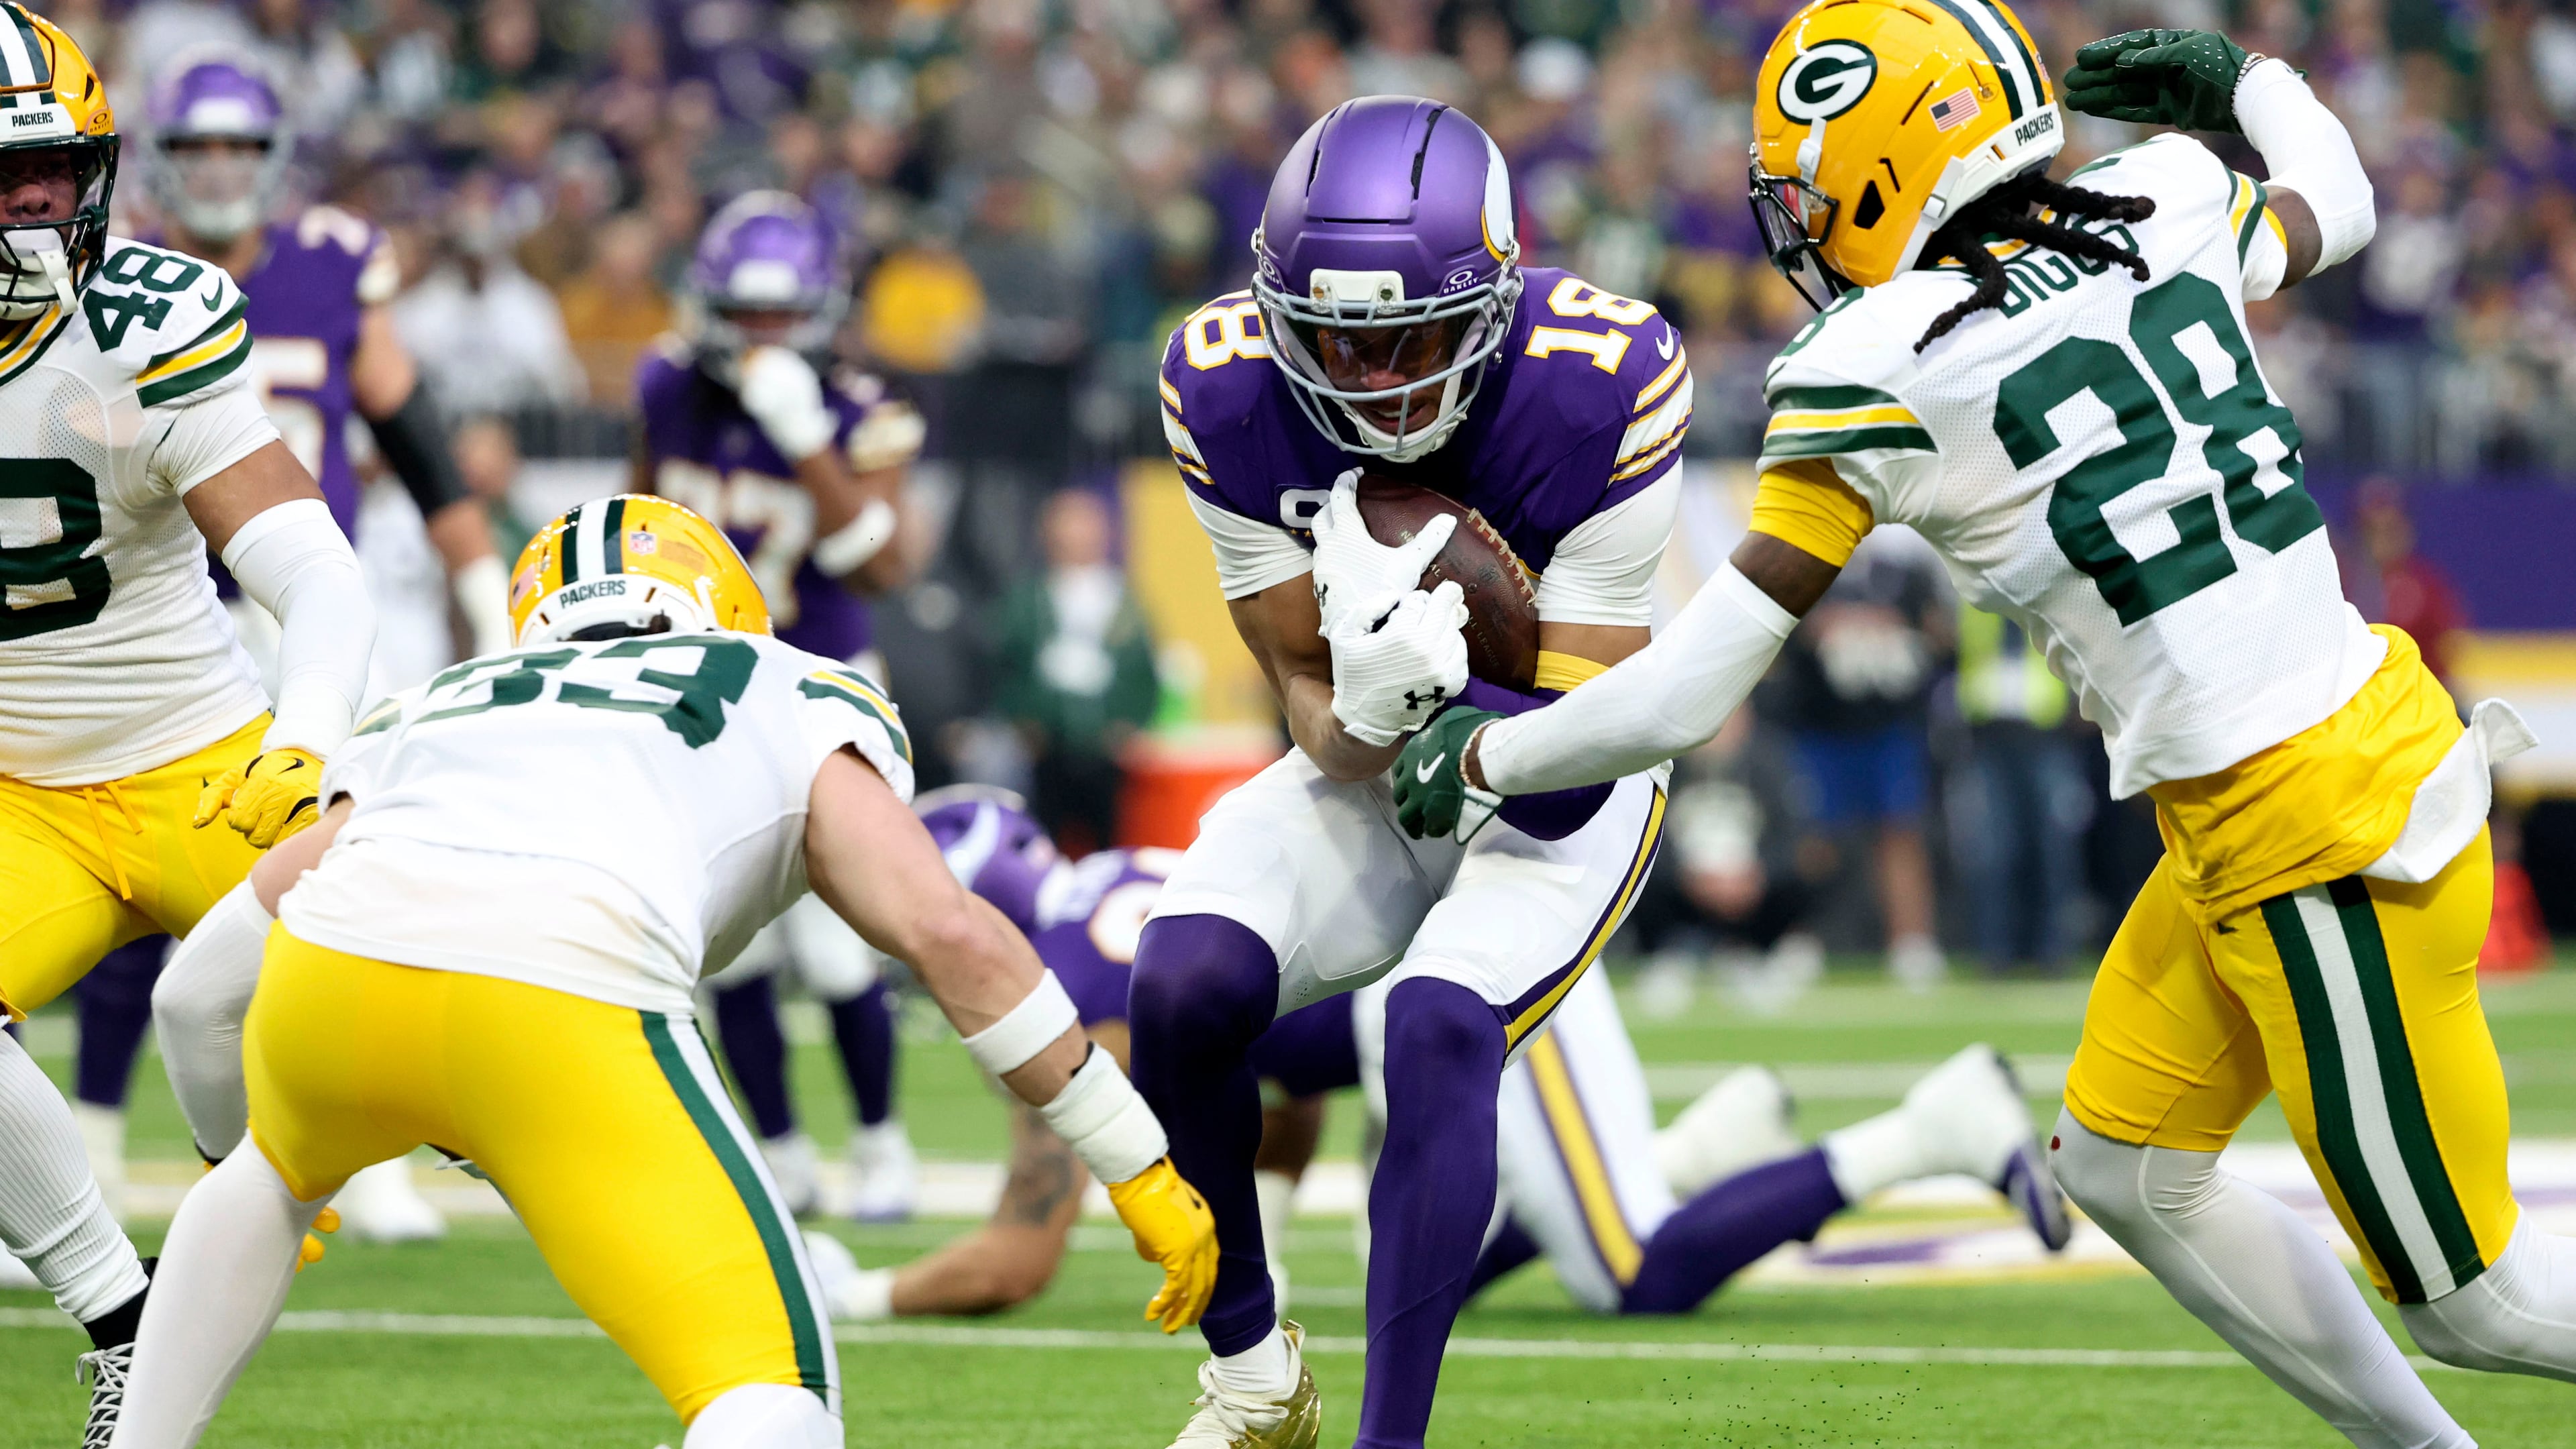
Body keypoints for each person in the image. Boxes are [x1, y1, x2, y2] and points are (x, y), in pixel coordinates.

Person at [1397, 16, 2576, 1446]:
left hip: (2314, 830)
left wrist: (1488, 754)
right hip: (2308, 761)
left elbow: (1696, 686)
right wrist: (2245, 82)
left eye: (1815, 195)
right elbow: (2350, 194)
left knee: (2476, 1304)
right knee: (2128, 1164)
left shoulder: (1883, 357)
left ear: (1892, 166)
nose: (1804, 233)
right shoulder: (2163, 196)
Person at [111, 496, 1219, 1449]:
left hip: (330, 990)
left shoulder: (434, 703)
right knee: (776, 1395)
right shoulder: (786, 683)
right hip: (563, 991)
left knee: (265, 1174)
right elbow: (951, 937)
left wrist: (241, 1156)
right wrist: (1136, 1162)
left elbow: (196, 993)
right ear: (723, 605)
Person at [1138, 96, 1692, 1449]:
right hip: (1386, 763)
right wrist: (1368, 705)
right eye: (1331, 338)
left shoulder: (1603, 377)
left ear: (1495, 301)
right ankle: (1256, 1377)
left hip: (1569, 770)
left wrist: (1445, 691)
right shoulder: (1220, 380)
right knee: (1179, 983)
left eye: (1406, 341)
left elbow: (1572, 772)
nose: (1370, 380)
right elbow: (1310, 716)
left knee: (1434, 1027)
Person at [0, 9, 377, 1440]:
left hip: (204, 771)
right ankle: (121, 1317)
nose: (35, 200)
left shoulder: (148, 317)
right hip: (17, 798)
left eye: (56, 167)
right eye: (0, 172)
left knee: (476, 1008)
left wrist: (313, 733)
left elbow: (309, 562)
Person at [107, 50, 518, 1243]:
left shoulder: (333, 259)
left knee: (342, 873)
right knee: (153, 869)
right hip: (170, 607)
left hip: (308, 608)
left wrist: (484, 594)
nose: (222, 170)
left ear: (276, 156)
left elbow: (416, 433)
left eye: (242, 146)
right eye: (199, 148)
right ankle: (88, 1141)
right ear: (164, 162)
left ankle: (362, 1151)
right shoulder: (118, 272)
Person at [638, 191, 928, 1220]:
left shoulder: (860, 406)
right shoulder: (670, 385)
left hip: (823, 690)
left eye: (779, 315)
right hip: (706, 694)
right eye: (745, 314)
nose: (761, 337)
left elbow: (886, 560)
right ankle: (786, 1153)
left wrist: (806, 437)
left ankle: (885, 1146)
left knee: (840, 940)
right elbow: (640, 521)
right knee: (734, 947)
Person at [1346, 967, 2067, 1317]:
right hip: (1438, 984)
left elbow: (1273, 1081)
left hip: (1489, 983)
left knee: (1632, 1278)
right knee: (1419, 1276)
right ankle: (1692, 1156)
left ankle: (1926, 1132)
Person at [991, 489, 1162, 855]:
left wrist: (1131, 724)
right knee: (1044, 843)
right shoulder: (1030, 598)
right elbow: (1008, 665)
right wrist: (1024, 721)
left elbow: (1145, 670)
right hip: (1046, 752)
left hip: (1107, 753)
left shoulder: (1124, 600)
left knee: (1107, 843)